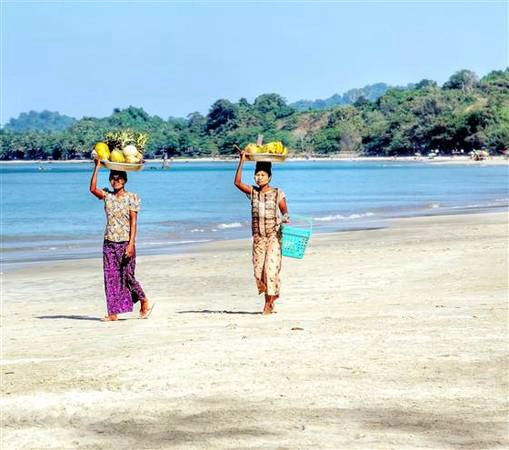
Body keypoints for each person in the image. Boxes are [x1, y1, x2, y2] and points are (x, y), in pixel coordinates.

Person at [89, 159, 152, 321]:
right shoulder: (107, 196)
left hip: (125, 242)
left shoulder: (132, 197)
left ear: (124, 180)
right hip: (109, 242)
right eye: (112, 178)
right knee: (111, 278)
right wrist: (97, 167)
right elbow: (92, 189)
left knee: (128, 276)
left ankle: (143, 300)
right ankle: (113, 313)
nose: (115, 181)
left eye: (118, 178)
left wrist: (131, 244)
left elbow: (133, 222)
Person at [234, 151, 289, 314]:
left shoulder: (278, 193)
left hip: (273, 237)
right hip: (258, 239)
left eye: (263, 175)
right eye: (257, 175)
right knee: (259, 273)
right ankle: (272, 297)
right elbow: (237, 182)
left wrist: (285, 217)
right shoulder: (252, 192)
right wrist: (242, 161)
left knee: (270, 270)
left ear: (269, 177)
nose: (259, 177)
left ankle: (268, 303)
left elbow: (285, 211)